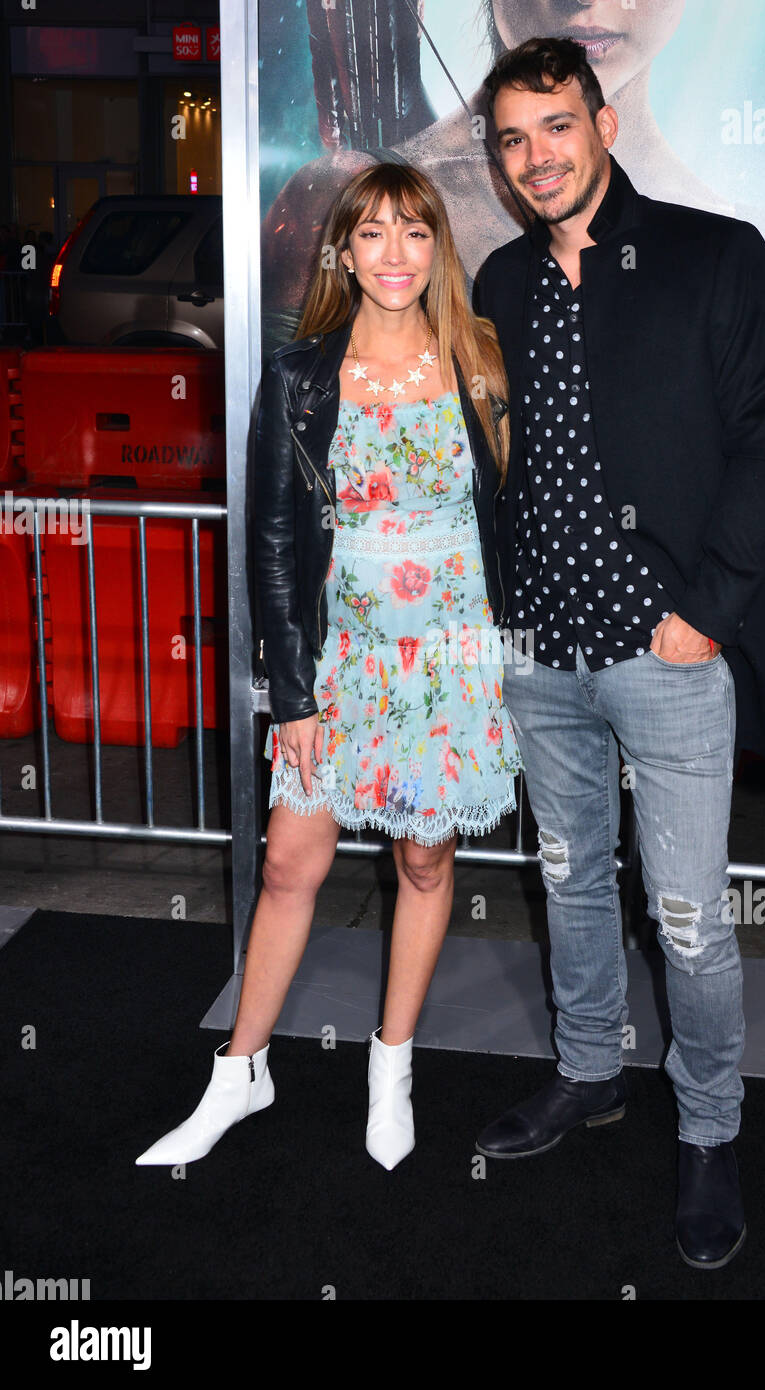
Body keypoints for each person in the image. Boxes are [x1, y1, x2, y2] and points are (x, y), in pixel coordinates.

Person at [469, 36, 765, 1269]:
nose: (535, 159)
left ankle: (712, 1128)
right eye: (512, 139)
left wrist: (704, 614)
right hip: (543, 659)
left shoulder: (714, 255)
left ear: (601, 124)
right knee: (567, 881)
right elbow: (492, 464)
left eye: (554, 127)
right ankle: (586, 1073)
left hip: (668, 659)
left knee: (685, 913)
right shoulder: (501, 282)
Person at [263, 0, 765, 703]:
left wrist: (679, 527)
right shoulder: (371, 210)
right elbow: (297, 497)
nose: (586, 0)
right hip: (449, 690)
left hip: (662, 688)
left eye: (559, 126)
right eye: (518, 137)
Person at [135, 161, 521, 1172]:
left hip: (447, 660)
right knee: (288, 863)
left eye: (414, 232)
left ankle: (390, 1066)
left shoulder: (479, 356)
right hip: (340, 661)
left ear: (438, 247)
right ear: (343, 252)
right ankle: (240, 1071)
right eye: (372, 234)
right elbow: (270, 539)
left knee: (425, 861)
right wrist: (292, 691)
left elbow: (513, 509)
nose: (394, 255)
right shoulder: (304, 372)